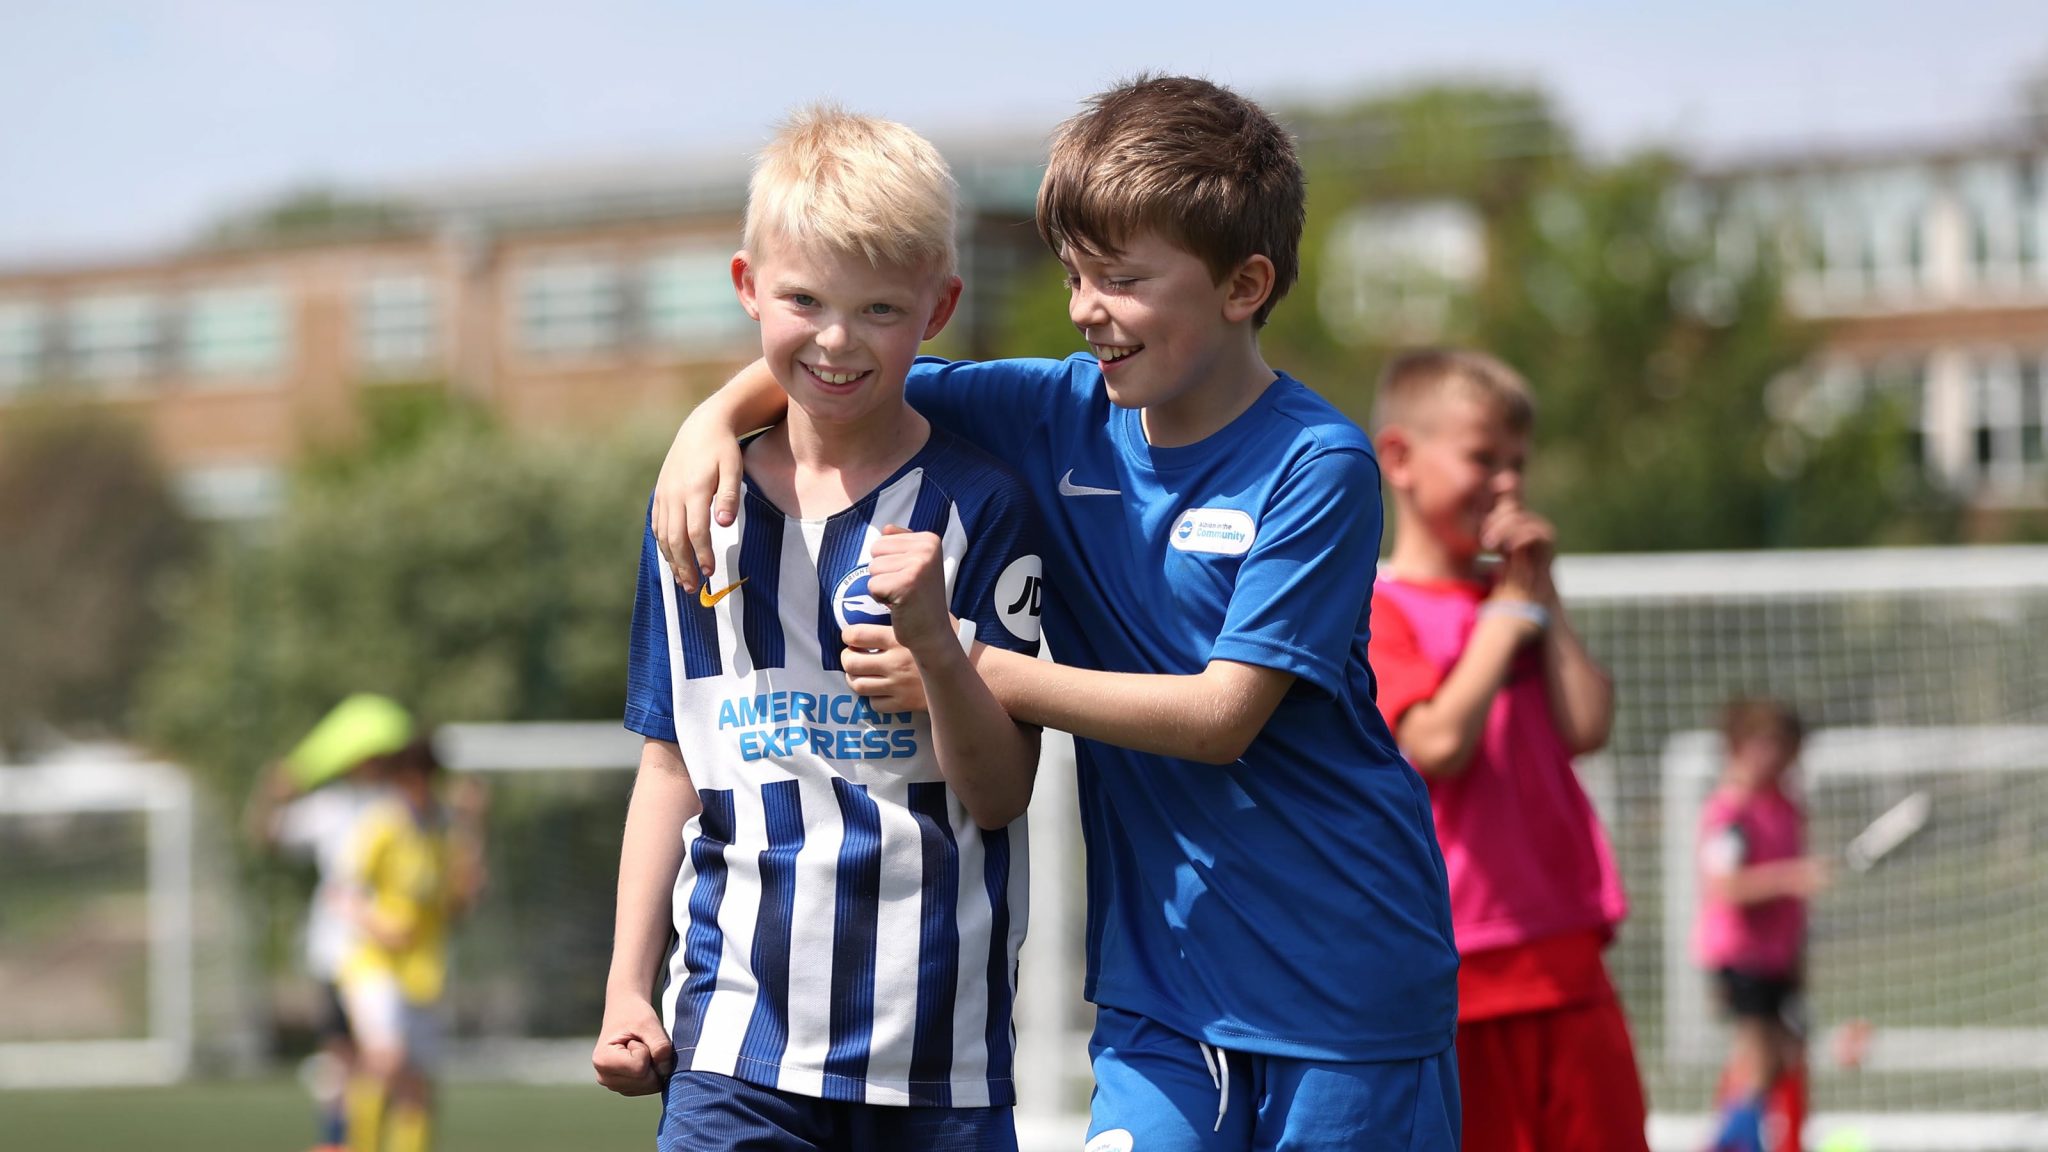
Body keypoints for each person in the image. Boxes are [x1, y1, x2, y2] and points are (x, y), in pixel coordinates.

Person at [649, 77, 1460, 1152]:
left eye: (1121, 278)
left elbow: (1223, 718)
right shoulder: (1054, 411)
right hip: (1155, 995)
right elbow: (852, 362)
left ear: (1243, 284)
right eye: (1075, 273)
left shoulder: (1316, 465)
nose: (1085, 308)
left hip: (1343, 988)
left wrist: (970, 662)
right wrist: (707, 421)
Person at [592, 107, 1045, 1152]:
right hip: (732, 1051)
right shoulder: (690, 507)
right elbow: (670, 764)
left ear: (938, 309)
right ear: (749, 287)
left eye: (878, 308)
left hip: (935, 1066)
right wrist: (624, 987)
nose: (836, 339)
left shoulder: (984, 509)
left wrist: (939, 653)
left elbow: (1000, 791)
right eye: (803, 301)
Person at [1365, 348, 1649, 1152]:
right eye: (1483, 458)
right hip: (1459, 966)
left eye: (1518, 464)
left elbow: (1587, 723)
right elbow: (1439, 741)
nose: (1507, 485)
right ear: (1400, 459)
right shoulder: (1381, 608)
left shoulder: (1518, 597)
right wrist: (1508, 616)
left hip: (1567, 955)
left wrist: (1539, 595)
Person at [245, 692, 415, 1152]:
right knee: (341, 1055)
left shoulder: (401, 804)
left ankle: (382, 1139)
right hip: (335, 949)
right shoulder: (332, 806)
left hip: (388, 950)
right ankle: (335, 1141)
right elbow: (268, 835)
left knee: (387, 1057)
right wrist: (271, 790)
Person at [338, 734, 487, 1152]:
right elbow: (343, 893)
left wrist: (475, 828)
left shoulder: (444, 829)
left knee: (417, 1085)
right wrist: (377, 924)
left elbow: (459, 903)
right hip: (375, 963)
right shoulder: (381, 824)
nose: (418, 784)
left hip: (424, 971)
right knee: (386, 1060)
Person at [1696, 698, 1828, 1152]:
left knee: (1785, 1054)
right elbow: (1725, 887)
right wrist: (1789, 877)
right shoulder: (1731, 813)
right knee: (1757, 1058)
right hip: (1740, 954)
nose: (1770, 756)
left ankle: (1741, 1137)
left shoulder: (1787, 807)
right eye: (1760, 743)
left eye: (1781, 746)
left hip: (1778, 956)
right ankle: (1728, 1144)